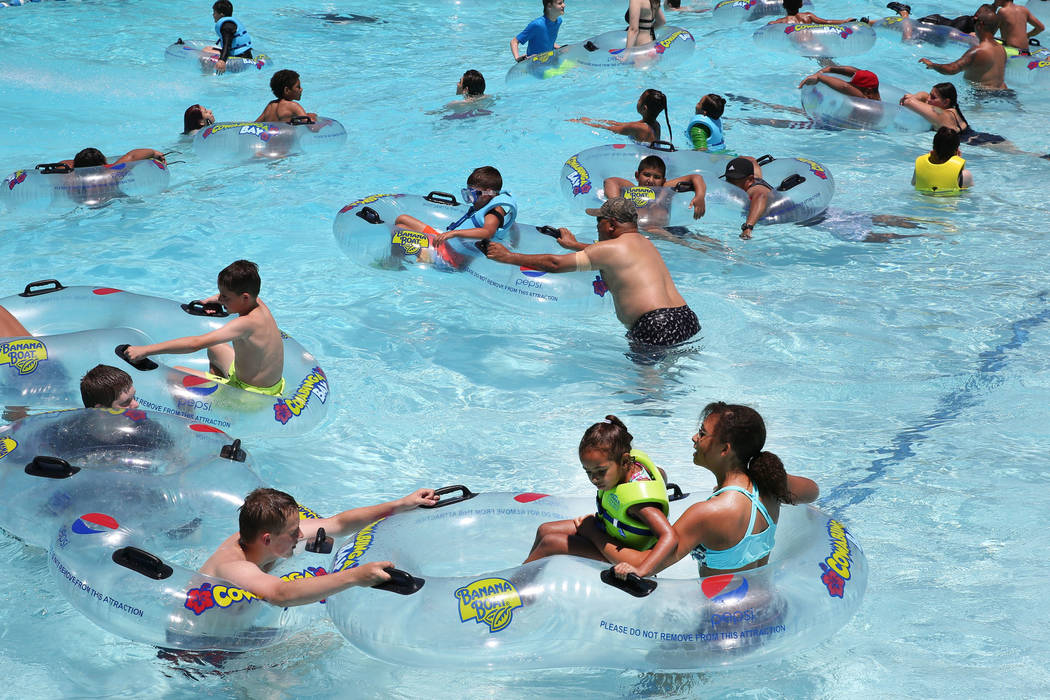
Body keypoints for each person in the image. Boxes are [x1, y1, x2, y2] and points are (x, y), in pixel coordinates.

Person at [578, 402, 820, 579]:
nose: (694, 437)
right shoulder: (769, 483)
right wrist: (779, 481)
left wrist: (593, 532)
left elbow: (645, 564)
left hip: (720, 620)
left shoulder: (707, 513)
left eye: (702, 433)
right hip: (761, 607)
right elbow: (812, 491)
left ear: (724, 449)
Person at [485, 197, 701, 348]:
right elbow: (614, 256)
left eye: (599, 220)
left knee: (647, 389)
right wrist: (576, 245)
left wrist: (509, 257)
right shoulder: (644, 244)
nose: (597, 226)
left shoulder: (610, 249)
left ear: (611, 224)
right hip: (686, 318)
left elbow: (554, 264)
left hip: (655, 324)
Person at [199, 487, 438, 606]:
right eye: (294, 532)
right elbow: (281, 594)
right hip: (201, 653)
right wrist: (355, 576)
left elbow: (339, 523)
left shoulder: (263, 537)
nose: (302, 534)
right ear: (267, 539)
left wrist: (401, 504)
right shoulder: (234, 567)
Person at [523, 416, 678, 578]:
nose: (594, 479)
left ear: (625, 461)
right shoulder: (629, 465)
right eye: (588, 472)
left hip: (630, 555)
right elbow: (660, 474)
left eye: (600, 471)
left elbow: (670, 536)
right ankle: (526, 580)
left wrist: (642, 570)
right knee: (545, 530)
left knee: (551, 543)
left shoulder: (639, 504)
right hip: (611, 532)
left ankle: (515, 590)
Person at [123, 260, 285, 396]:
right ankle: (213, 396)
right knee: (215, 347)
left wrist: (145, 350)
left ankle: (196, 413)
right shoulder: (257, 303)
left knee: (175, 373)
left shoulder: (246, 323)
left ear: (244, 297)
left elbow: (196, 343)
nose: (220, 299)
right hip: (267, 383)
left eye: (225, 297)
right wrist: (211, 300)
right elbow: (233, 297)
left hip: (252, 394)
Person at [391, 166, 515, 269]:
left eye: (472, 195)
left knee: (399, 230)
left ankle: (394, 264)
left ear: (487, 193)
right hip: (446, 246)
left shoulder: (493, 213)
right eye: (467, 194)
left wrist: (454, 233)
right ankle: (398, 260)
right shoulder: (484, 205)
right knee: (402, 218)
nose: (470, 200)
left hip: (451, 259)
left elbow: (487, 232)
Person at [919, 5, 1008, 90]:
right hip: (1002, 91)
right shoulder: (1001, 49)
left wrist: (932, 65)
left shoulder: (978, 51)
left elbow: (952, 69)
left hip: (982, 96)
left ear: (980, 25)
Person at [602, 155, 707, 224]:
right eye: (646, 175)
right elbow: (610, 181)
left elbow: (696, 177)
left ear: (663, 180)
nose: (651, 181)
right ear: (637, 175)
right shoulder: (632, 189)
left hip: (665, 231)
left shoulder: (664, 189)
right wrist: (616, 203)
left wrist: (700, 196)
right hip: (638, 232)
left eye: (657, 177)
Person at [899, 82, 1008, 146]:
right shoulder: (951, 109)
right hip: (985, 137)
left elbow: (907, 102)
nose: (928, 99)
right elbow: (923, 94)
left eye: (933, 97)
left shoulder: (942, 115)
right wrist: (916, 97)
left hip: (985, 144)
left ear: (946, 102)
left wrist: (910, 98)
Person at [570, 88, 672, 144]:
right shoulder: (655, 124)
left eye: (639, 99)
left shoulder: (640, 128)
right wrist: (592, 120)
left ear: (644, 108)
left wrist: (582, 123)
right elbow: (621, 124)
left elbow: (610, 129)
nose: (637, 101)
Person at [721, 157, 773, 239]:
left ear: (750, 180)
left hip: (782, 215)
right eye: (728, 179)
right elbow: (751, 160)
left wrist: (748, 228)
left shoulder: (754, 189)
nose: (730, 184)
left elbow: (761, 196)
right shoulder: (756, 175)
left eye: (735, 180)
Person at [912, 126, 974, 194]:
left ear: (933, 150)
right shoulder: (965, 175)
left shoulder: (920, 168)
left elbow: (914, 184)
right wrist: (959, 168)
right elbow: (966, 194)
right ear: (957, 151)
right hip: (950, 203)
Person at [201, 0, 253, 75]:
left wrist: (222, 60)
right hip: (245, 55)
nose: (213, 15)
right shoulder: (230, 23)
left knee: (204, 55)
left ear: (221, 14)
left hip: (239, 60)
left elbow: (227, 45)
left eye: (214, 12)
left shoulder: (226, 27)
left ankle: (207, 76)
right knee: (207, 49)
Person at [798, 64, 881, 100]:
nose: (852, 88)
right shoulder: (872, 93)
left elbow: (844, 87)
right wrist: (824, 71)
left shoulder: (867, 100)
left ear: (868, 91)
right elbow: (854, 72)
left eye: (854, 87)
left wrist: (819, 77)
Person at [59, 147, 166, 170]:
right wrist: (155, 153)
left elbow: (65, 163)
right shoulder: (111, 174)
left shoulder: (67, 175)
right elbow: (132, 156)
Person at [769, 0, 856, 24]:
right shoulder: (808, 16)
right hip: (812, 41)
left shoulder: (781, 21)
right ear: (801, 5)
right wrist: (845, 21)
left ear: (783, 5)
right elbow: (826, 22)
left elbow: (770, 25)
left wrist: (770, 23)